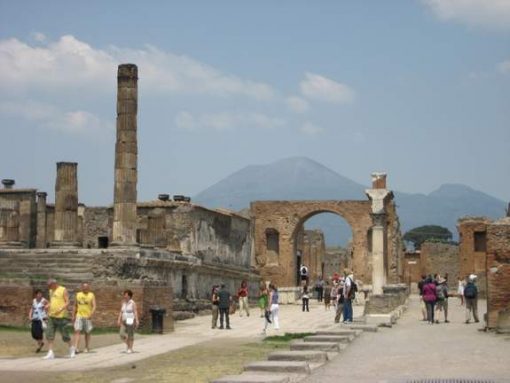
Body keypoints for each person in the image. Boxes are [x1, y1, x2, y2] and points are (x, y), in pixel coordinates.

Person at [43, 279, 72, 360]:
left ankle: (71, 348)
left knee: (64, 334)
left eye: (50, 286)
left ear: (54, 284)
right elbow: (52, 301)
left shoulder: (63, 289)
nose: (49, 287)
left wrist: (61, 309)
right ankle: (50, 352)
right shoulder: (51, 291)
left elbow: (67, 302)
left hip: (61, 316)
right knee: (49, 333)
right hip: (51, 315)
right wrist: (48, 305)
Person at [71, 282, 96, 357]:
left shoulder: (91, 295)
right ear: (82, 288)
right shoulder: (78, 294)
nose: (85, 288)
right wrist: (73, 315)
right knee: (77, 331)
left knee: (87, 332)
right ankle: (76, 348)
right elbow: (75, 305)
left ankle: (86, 347)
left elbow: (94, 306)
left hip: (87, 316)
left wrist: (91, 314)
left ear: (89, 288)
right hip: (79, 315)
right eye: (84, 287)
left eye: (87, 287)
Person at [117, 289, 139, 353]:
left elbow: (135, 311)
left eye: (126, 295)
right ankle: (129, 345)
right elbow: (121, 311)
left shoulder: (132, 303)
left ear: (129, 296)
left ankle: (130, 348)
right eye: (124, 295)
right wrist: (118, 319)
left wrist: (137, 320)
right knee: (121, 334)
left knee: (130, 334)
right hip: (123, 320)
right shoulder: (123, 302)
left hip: (130, 319)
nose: (124, 296)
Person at [28, 289, 48, 353]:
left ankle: (39, 347)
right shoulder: (34, 301)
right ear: (36, 294)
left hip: (41, 319)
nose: (40, 295)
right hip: (34, 318)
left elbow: (49, 304)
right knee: (33, 333)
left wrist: (46, 308)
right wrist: (30, 316)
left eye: (41, 293)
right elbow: (32, 308)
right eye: (38, 294)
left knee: (39, 333)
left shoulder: (44, 300)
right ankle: (41, 343)